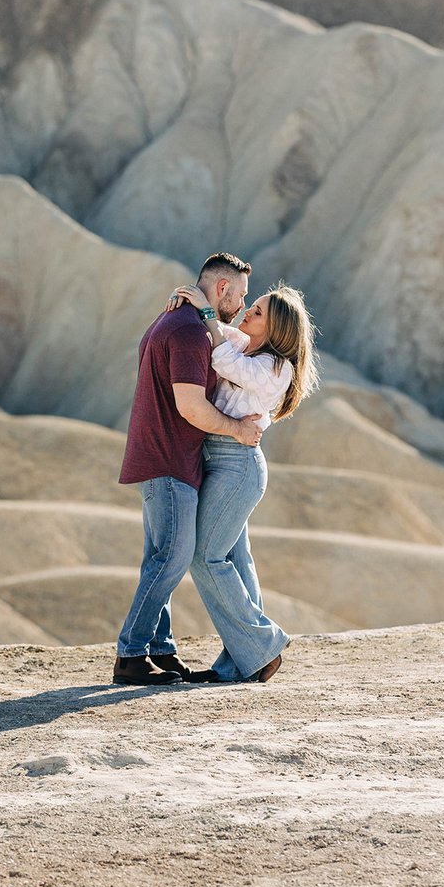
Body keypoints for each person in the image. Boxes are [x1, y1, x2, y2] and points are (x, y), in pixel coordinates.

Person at [113, 252, 262, 686]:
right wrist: (237, 430)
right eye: (240, 295)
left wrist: (206, 312)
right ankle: (131, 654)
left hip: (164, 456)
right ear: (222, 289)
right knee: (173, 558)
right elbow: (191, 406)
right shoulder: (188, 333)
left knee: (160, 557)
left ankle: (159, 650)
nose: (241, 305)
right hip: (170, 459)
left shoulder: (180, 323)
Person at [169, 280, 319, 684]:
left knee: (205, 557)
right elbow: (219, 335)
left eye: (258, 312)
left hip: (238, 467)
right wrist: (195, 305)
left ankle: (264, 647)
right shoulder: (245, 344)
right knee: (235, 560)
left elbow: (223, 361)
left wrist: (204, 312)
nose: (248, 311)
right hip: (220, 461)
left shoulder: (275, 367)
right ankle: (239, 662)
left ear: (276, 330)